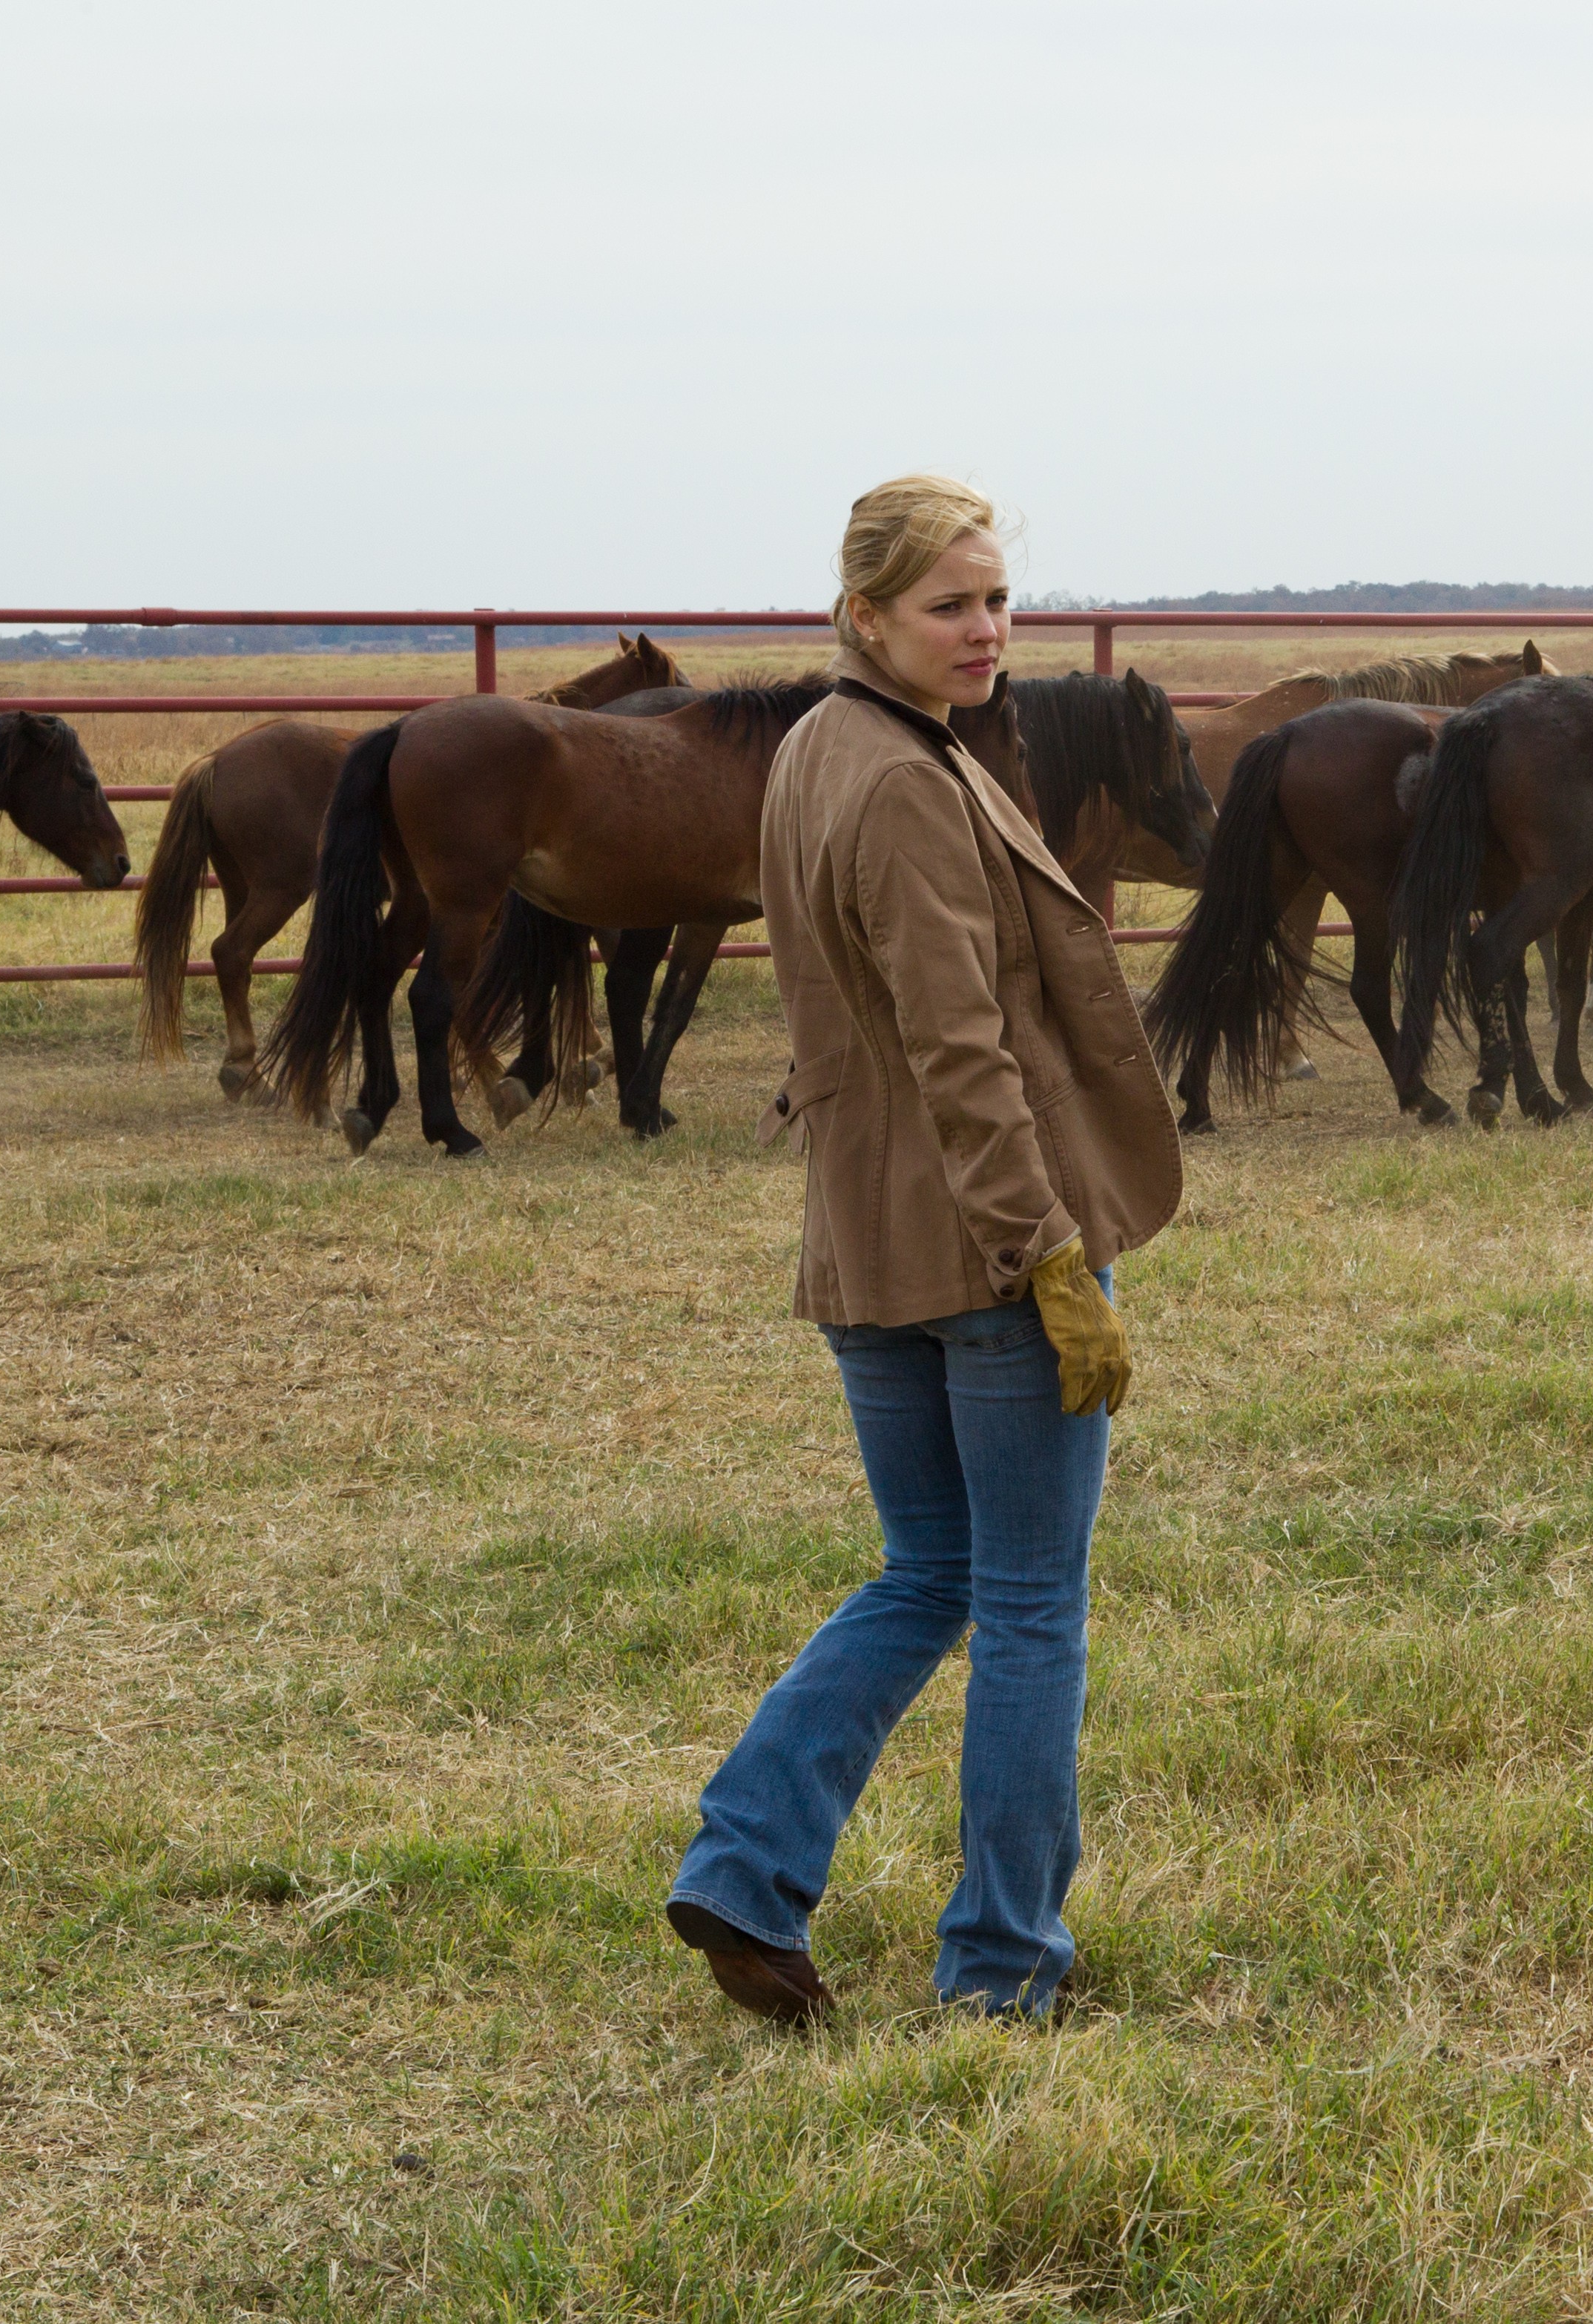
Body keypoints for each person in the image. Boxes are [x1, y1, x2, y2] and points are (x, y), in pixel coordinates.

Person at [666, 475, 1181, 2023]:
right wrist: (1046, 1261)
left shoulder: (819, 751)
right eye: (950, 604)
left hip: (867, 1250)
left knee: (927, 1573)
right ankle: (1004, 1966)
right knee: (1027, 1600)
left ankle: (745, 1865)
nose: (985, 630)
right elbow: (964, 1054)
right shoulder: (897, 778)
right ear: (865, 613)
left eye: (997, 599)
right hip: (978, 1253)